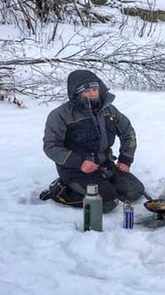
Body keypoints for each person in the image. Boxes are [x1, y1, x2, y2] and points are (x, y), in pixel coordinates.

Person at [43, 69, 145, 212]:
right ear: (76, 93)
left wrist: (125, 159)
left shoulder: (110, 110)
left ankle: (105, 183)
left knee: (135, 192)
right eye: (87, 91)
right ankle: (61, 191)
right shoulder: (60, 115)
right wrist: (80, 163)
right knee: (106, 203)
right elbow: (51, 146)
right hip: (76, 170)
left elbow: (128, 133)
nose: (92, 93)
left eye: (95, 89)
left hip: (105, 165)